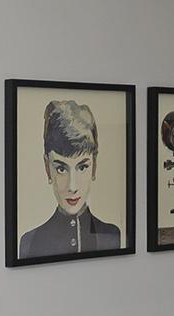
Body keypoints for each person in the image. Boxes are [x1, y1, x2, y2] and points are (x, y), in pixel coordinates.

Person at [19, 98, 123, 257]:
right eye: (61, 168)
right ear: (48, 168)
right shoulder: (30, 243)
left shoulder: (112, 236)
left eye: (82, 167)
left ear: (94, 166)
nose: (72, 186)